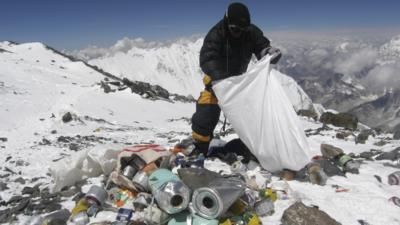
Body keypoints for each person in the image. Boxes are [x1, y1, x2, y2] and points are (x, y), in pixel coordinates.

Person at [191, 2, 282, 154]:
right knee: (206, 112)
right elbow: (208, 58)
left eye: (243, 29)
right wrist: (220, 79)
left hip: (240, 83)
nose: (239, 32)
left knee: (252, 114)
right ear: (227, 22)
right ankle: (200, 148)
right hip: (216, 82)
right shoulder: (216, 34)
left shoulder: (251, 32)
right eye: (235, 29)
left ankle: (252, 147)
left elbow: (261, 46)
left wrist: (268, 52)